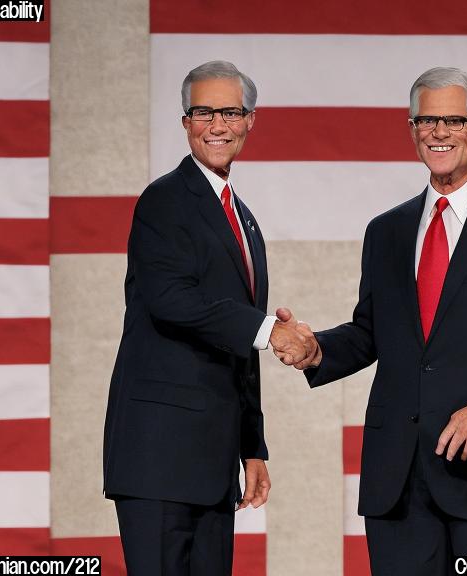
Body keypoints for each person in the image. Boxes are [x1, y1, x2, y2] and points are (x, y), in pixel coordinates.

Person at [289, 67, 467, 572]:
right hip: (399, 480)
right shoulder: (388, 231)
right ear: (412, 128)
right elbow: (373, 331)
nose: (438, 132)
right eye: (426, 120)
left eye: (453, 120)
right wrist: (319, 351)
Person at [102, 60, 313, 576]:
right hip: (159, 457)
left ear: (249, 121)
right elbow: (170, 299)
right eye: (203, 112)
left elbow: (233, 343)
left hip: (212, 464)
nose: (217, 124)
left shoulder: (243, 217)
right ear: (185, 121)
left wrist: (251, 447)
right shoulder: (165, 201)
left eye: (230, 112)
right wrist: (270, 330)